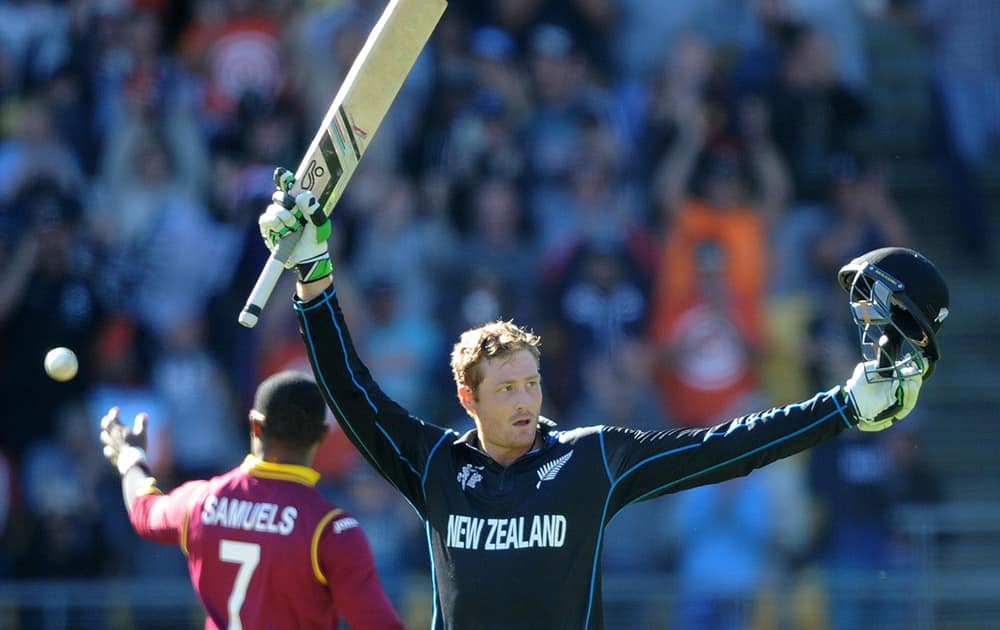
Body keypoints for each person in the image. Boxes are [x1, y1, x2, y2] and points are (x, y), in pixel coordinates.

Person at [258, 177, 943, 629]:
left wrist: (845, 407)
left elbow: (724, 448)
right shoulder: (434, 465)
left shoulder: (592, 459)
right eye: (506, 390)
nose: (525, 400)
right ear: (468, 398)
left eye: (531, 383)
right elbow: (351, 395)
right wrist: (314, 276)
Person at [98, 369, 405, 630]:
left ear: (256, 425)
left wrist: (130, 458)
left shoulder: (200, 500)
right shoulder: (332, 530)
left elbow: (144, 512)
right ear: (322, 436)